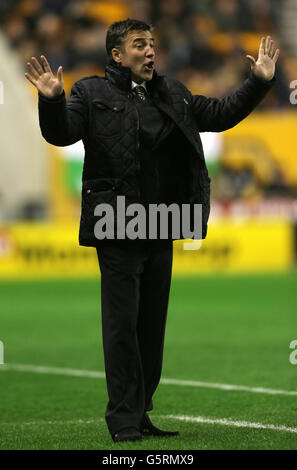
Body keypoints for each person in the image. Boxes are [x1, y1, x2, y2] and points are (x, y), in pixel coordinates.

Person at [25, 18, 279, 443]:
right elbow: (62, 134)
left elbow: (219, 114)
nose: (149, 51)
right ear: (117, 55)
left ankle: (141, 412)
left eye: (152, 44)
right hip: (117, 224)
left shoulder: (172, 93)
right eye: (139, 44)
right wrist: (51, 101)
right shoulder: (90, 92)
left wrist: (257, 82)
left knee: (150, 328)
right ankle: (123, 419)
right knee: (122, 326)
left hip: (162, 223)